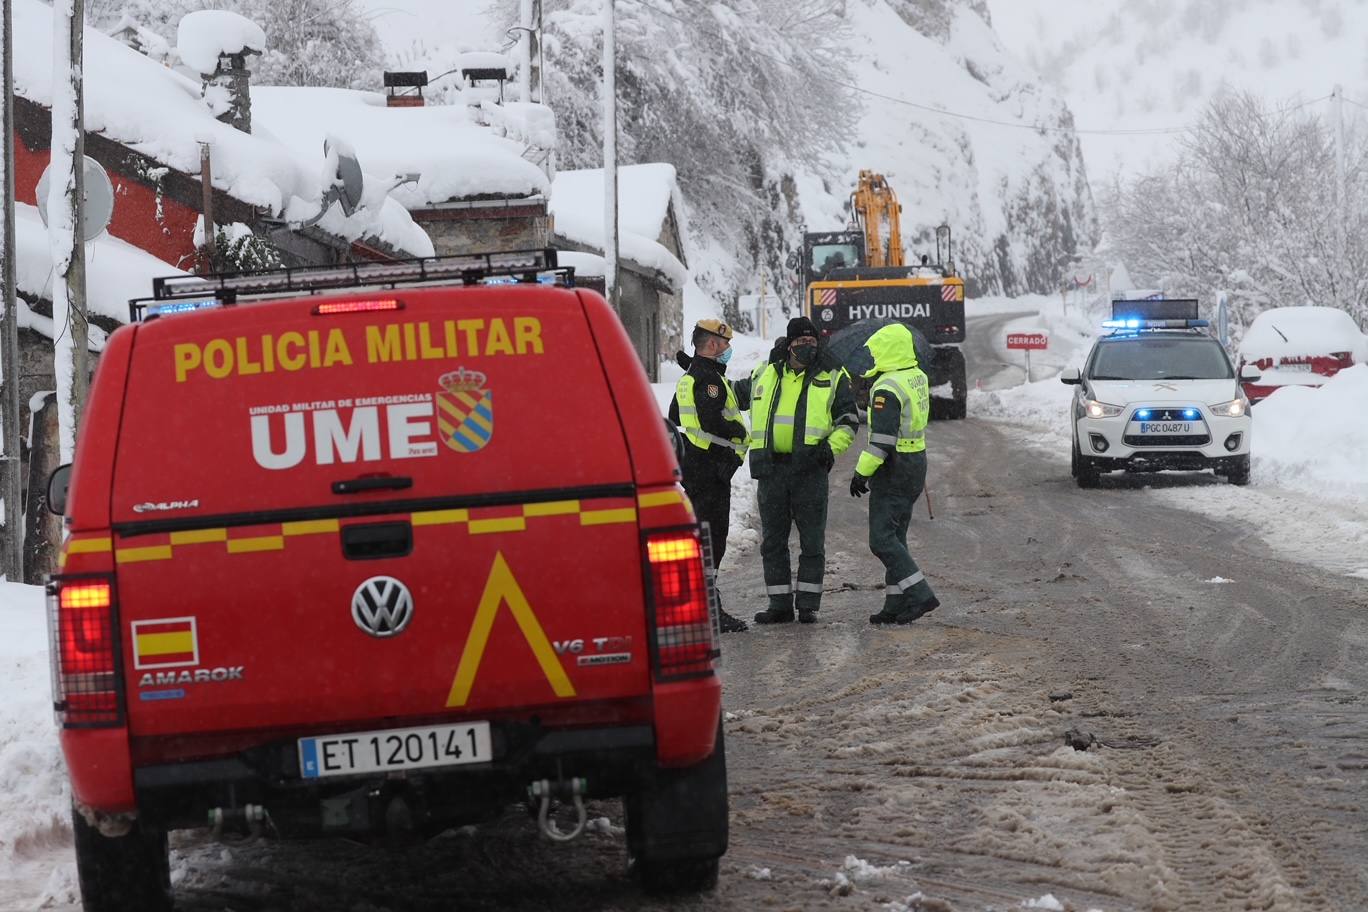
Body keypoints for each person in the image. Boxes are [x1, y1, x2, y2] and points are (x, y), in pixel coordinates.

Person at [742, 317, 857, 625]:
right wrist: (703, 373)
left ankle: (808, 604)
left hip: (810, 470)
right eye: (801, 342)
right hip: (772, 470)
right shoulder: (765, 373)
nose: (808, 347)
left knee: (812, 541)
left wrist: (829, 449)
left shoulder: (833, 375)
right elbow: (734, 397)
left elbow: (848, 420)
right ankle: (779, 604)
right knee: (773, 542)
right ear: (789, 344)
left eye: (812, 342)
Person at [847, 323, 939, 624]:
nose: (873, 357)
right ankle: (895, 603)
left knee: (881, 540)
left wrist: (861, 473)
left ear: (888, 351)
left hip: (894, 466)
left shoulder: (887, 388)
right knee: (897, 536)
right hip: (915, 461)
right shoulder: (915, 376)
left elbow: (882, 441)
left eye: (876, 352)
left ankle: (921, 595)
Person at [669, 319, 750, 633]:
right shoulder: (709, 381)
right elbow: (713, 421)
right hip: (712, 469)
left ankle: (702, 602)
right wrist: (732, 450)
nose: (728, 350)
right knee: (712, 538)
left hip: (696, 466)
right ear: (714, 344)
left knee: (702, 535)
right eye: (725, 344)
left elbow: (677, 416)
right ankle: (708, 609)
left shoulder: (692, 377)